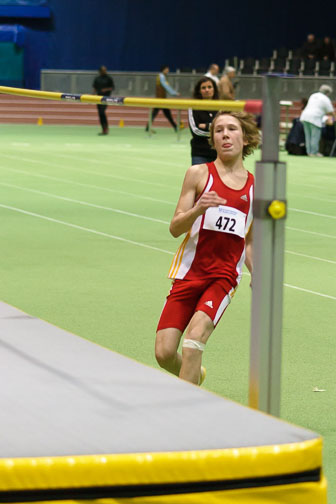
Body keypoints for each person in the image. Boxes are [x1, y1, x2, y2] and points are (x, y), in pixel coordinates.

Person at [155, 110, 260, 385]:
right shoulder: (198, 174)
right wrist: (198, 209)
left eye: (232, 129)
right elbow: (175, 227)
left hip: (223, 277)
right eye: (218, 130)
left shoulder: (254, 188)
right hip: (189, 273)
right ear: (212, 139)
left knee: (193, 341)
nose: (225, 134)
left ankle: (186, 413)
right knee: (164, 352)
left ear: (245, 138)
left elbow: (248, 240)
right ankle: (194, 377)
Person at [188, 77, 219, 165]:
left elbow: (225, 128)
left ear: (214, 89)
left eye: (209, 87)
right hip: (199, 153)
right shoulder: (193, 107)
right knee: (198, 179)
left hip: (219, 153)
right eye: (203, 88)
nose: (207, 90)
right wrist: (216, 130)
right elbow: (195, 131)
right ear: (199, 91)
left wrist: (206, 126)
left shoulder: (221, 106)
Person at [300, 85, 335, 156]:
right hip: (315, 118)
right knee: (315, 136)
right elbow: (331, 111)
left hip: (305, 116)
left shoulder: (313, 95)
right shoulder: (325, 99)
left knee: (308, 136)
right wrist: (334, 117)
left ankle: (309, 152)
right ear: (327, 93)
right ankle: (313, 152)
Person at [145, 65, 180, 133]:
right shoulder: (161, 77)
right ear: (163, 70)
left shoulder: (160, 76)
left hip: (161, 100)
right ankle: (175, 127)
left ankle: (175, 127)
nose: (168, 71)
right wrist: (174, 93)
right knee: (164, 114)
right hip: (161, 100)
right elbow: (166, 86)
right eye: (167, 69)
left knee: (162, 114)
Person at [92, 66, 115, 135]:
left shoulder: (109, 78)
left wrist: (105, 90)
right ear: (100, 71)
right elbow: (94, 88)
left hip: (106, 98)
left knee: (102, 112)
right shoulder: (97, 79)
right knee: (100, 113)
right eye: (103, 70)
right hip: (98, 98)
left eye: (105, 70)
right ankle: (103, 128)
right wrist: (92, 97)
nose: (105, 71)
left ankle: (106, 128)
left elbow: (112, 87)